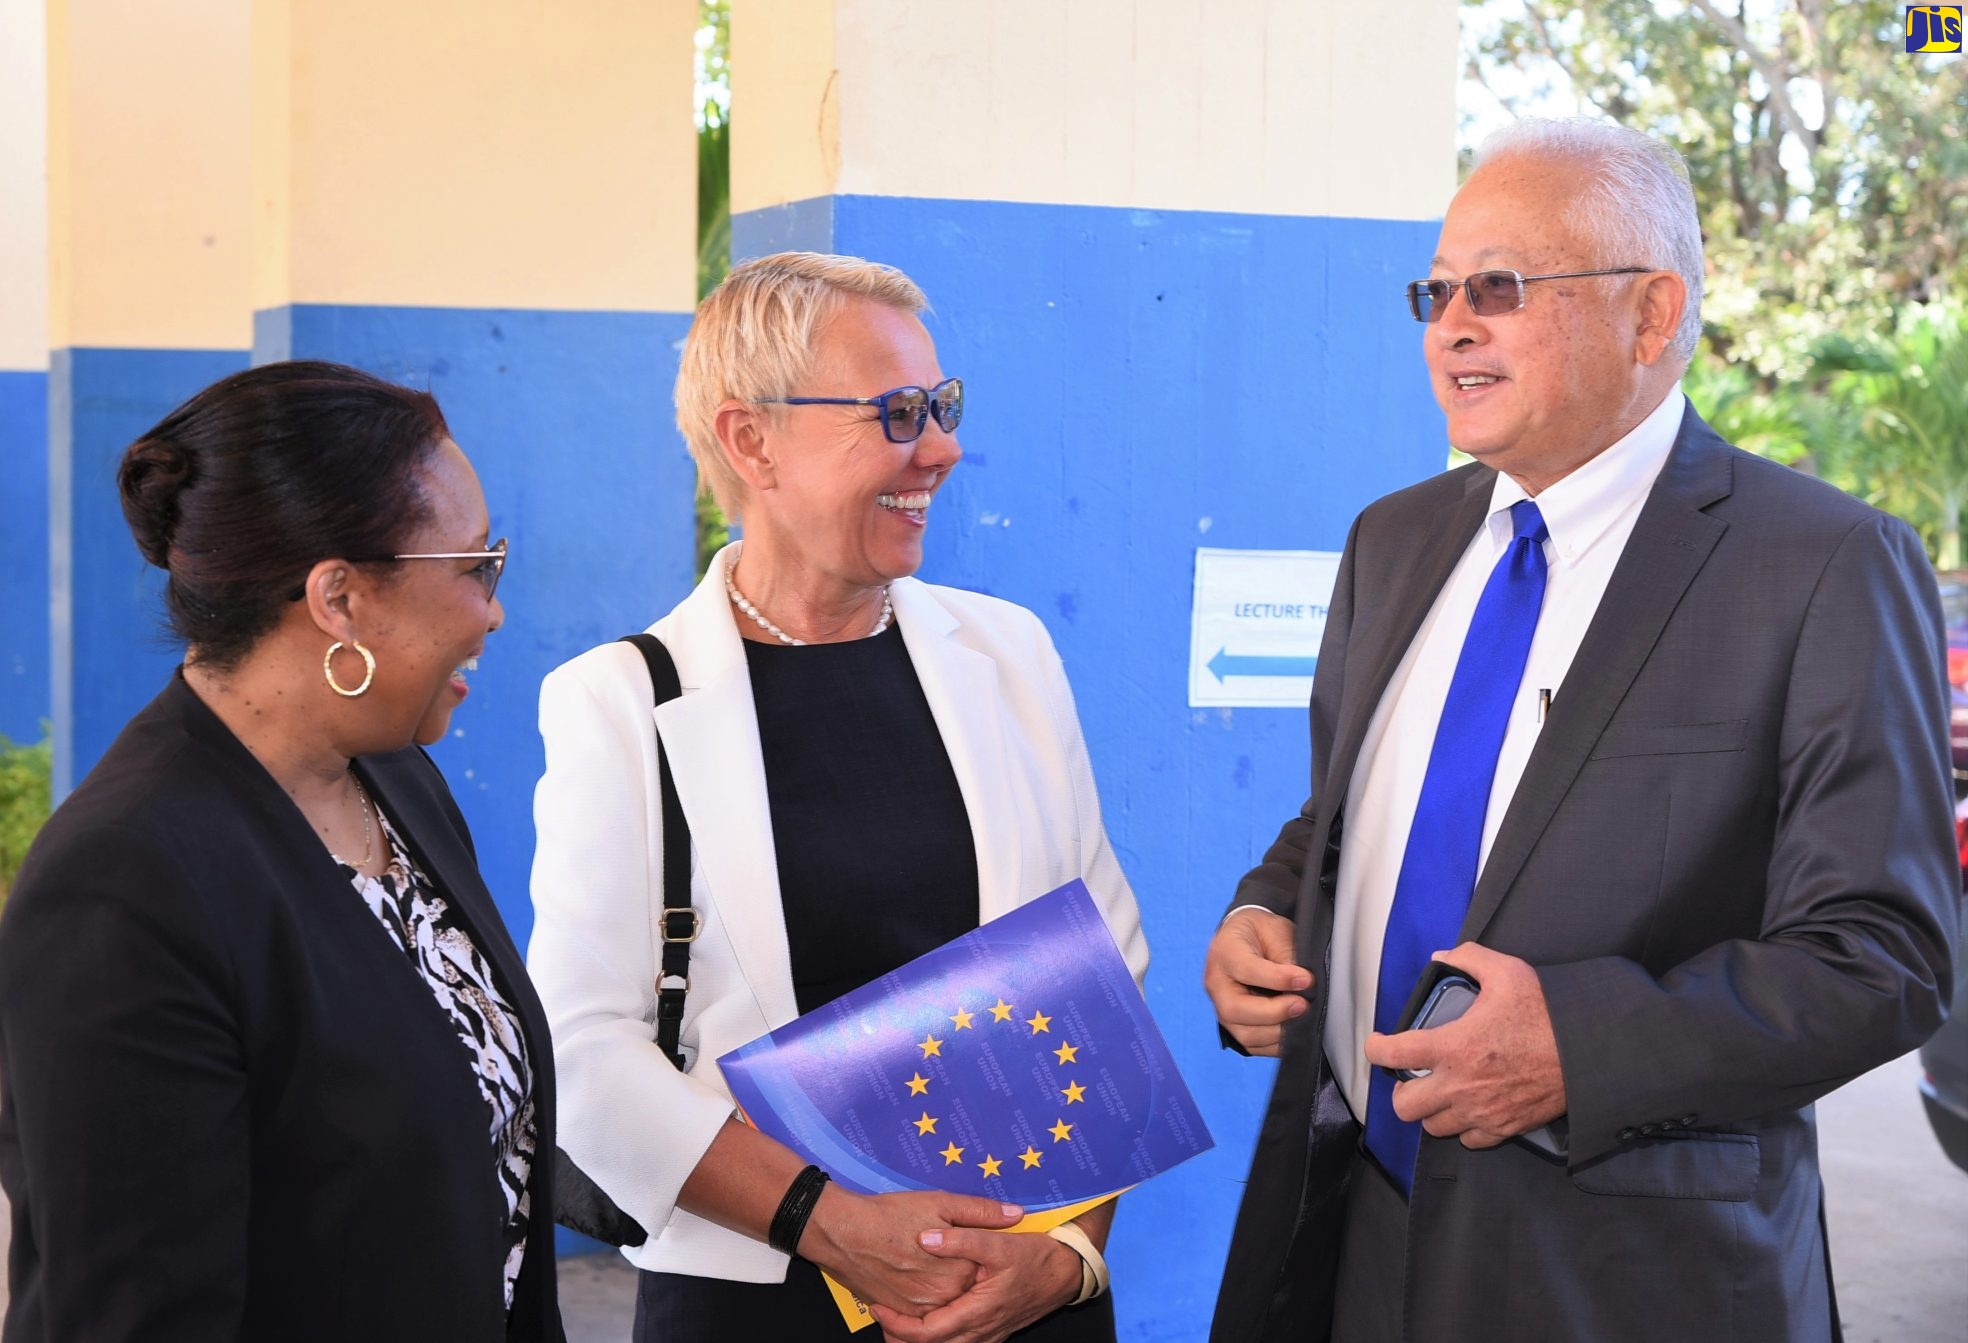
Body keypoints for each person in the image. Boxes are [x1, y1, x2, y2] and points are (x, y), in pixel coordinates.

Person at [1203, 118, 1959, 1343]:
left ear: (1650, 315)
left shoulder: (1820, 563)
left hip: (1619, 1270)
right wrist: (1264, 912)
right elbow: (1342, 825)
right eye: (1435, 291)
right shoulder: (1391, 540)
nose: (1452, 325)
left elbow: (1882, 957)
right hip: (1346, 1229)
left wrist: (1581, 1045)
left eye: (1497, 287)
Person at [529, 251, 1148, 1343]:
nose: (944, 447)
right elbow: (580, 1049)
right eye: (898, 413)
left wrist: (1065, 1253)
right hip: (755, 1302)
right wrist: (830, 1222)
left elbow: (1098, 973)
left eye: (942, 405)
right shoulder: (619, 700)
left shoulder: (1006, 654)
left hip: (1019, 1294)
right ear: (750, 439)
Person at [0, 361, 565, 1342]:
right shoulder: (120, 892)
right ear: (338, 598)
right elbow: (139, 1313)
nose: (491, 609)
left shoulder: (395, 780)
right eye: (475, 565)